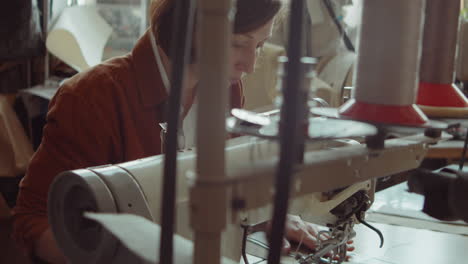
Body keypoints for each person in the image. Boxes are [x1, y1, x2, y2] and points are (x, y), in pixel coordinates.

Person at [12, 0, 352, 263]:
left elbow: (210, 191)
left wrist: (261, 217)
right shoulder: (92, 98)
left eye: (259, 46)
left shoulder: (226, 90)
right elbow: (31, 220)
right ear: (190, 28)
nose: (249, 65)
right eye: (237, 44)